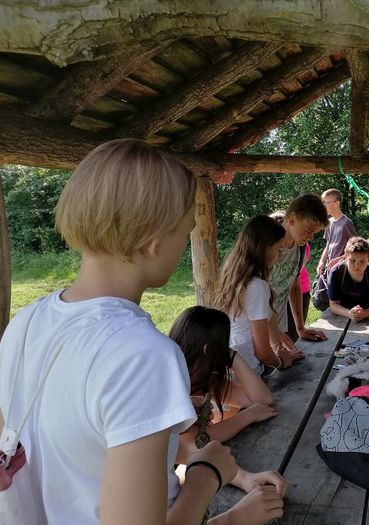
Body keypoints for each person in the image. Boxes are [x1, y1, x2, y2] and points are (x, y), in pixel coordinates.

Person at [0, 139, 282, 524]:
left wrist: (238, 476)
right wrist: (209, 481)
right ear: (154, 240)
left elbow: (84, 451)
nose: (185, 244)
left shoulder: (26, 322)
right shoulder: (142, 355)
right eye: (185, 231)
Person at [169, 306, 287, 502]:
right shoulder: (171, 385)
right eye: (224, 345)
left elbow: (262, 399)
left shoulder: (203, 379)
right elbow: (192, 444)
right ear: (208, 350)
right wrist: (247, 416)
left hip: (183, 466)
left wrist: (233, 357)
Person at [216, 215, 296, 372]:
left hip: (230, 364)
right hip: (246, 368)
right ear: (265, 248)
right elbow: (263, 353)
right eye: (279, 249)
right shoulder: (257, 286)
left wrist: (278, 344)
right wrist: (282, 362)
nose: (280, 256)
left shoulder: (235, 276)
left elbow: (267, 318)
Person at [269, 194, 329, 350]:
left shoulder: (300, 248)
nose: (311, 238)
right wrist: (275, 336)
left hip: (276, 327)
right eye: (308, 231)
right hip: (255, 330)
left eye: (314, 233)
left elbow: (294, 285)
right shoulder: (267, 245)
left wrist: (300, 327)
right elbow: (252, 299)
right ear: (292, 220)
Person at [328, 237, 369, 322]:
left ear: (368, 259)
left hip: (367, 316)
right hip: (342, 314)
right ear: (345, 257)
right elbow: (333, 305)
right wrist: (348, 313)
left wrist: (364, 314)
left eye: (362, 261)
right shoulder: (336, 273)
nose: (357, 265)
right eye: (352, 261)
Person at [316, 188, 356, 276]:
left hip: (342, 268)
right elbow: (328, 246)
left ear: (337, 203)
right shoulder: (329, 222)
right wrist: (321, 262)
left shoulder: (347, 223)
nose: (323, 206)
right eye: (323, 203)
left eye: (326, 202)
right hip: (329, 267)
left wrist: (339, 260)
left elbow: (355, 248)